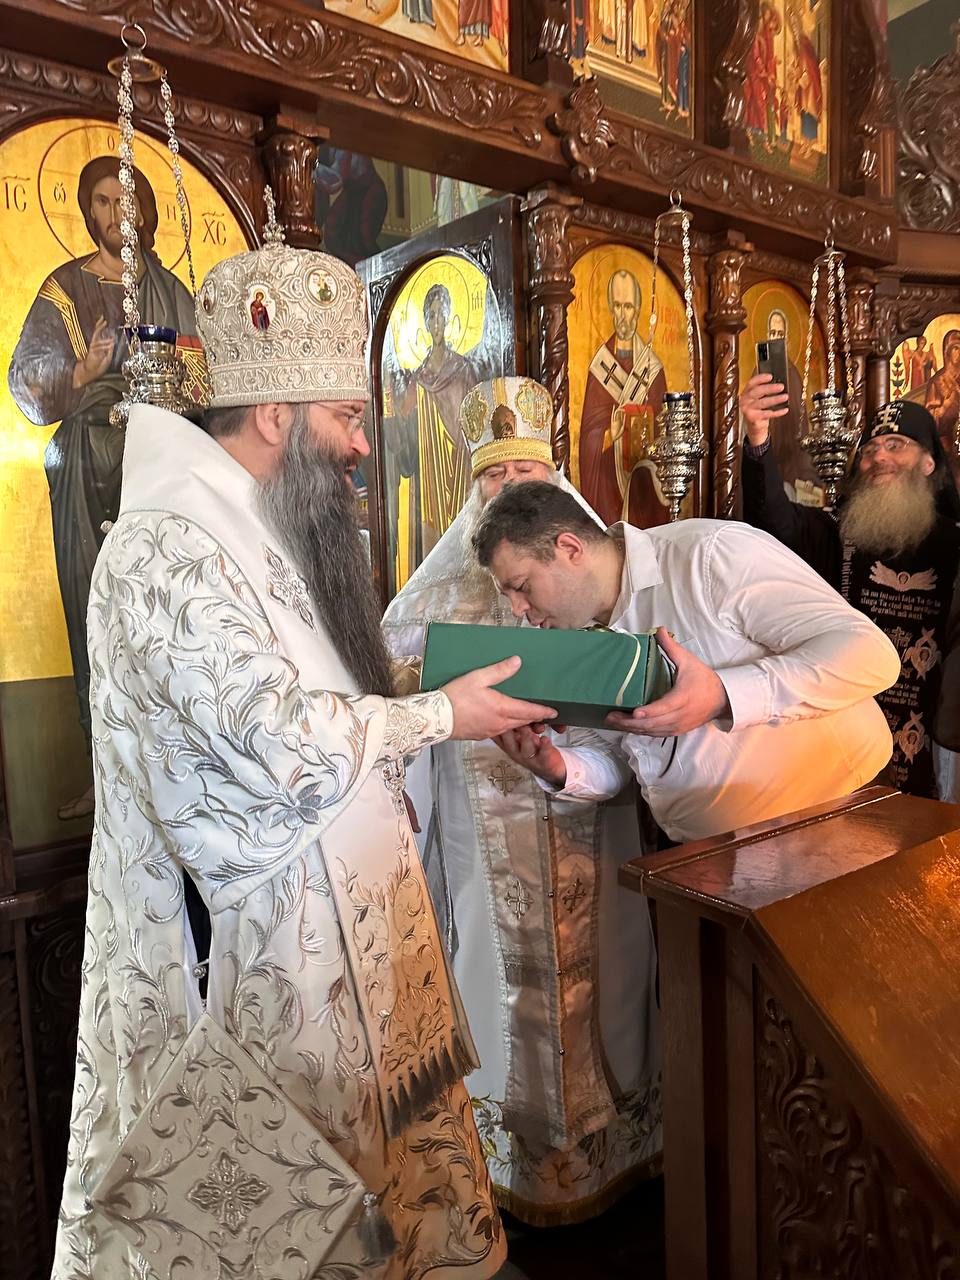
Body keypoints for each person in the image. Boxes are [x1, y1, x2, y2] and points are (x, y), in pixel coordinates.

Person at [50, 212, 566, 1280]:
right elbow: (280, 743)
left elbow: (313, 695)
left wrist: (421, 686)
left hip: (350, 957)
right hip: (252, 977)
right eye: (347, 417)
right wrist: (441, 716)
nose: (364, 445)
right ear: (276, 412)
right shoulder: (163, 548)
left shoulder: (261, 528)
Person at [383, 377, 661, 1227]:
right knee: (493, 980)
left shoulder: (601, 582)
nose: (508, 490)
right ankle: (508, 1165)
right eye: (493, 477)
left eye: (525, 473)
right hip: (483, 841)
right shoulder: (435, 598)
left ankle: (616, 1152)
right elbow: (396, 688)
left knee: (609, 975)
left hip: (592, 820)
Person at [470, 481, 900, 845]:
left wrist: (723, 695)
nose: (518, 609)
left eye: (522, 586)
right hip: (703, 854)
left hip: (834, 818)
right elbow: (621, 754)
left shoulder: (709, 556)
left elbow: (870, 654)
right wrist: (558, 767)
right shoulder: (572, 632)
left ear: (569, 548)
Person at [8, 156, 198, 818]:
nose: (118, 213)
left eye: (128, 200)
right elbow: (26, 383)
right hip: (87, 471)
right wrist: (84, 373)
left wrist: (173, 388)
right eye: (103, 201)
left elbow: (205, 374)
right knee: (98, 616)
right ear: (88, 212)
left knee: (168, 615)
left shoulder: (170, 290)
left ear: (147, 210)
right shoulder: (64, 289)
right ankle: (105, 771)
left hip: (161, 465)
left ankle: (172, 766)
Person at [739, 379, 960, 799]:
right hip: (843, 739)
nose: (879, 457)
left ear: (929, 462)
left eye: (895, 445)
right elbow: (773, 524)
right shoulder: (841, 532)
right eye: (870, 449)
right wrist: (758, 436)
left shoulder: (956, 546)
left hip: (934, 745)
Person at [578, 268, 669, 528]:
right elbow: (587, 437)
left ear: (638, 310)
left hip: (644, 486)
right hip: (608, 486)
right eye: (617, 306)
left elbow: (665, 432)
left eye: (628, 307)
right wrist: (610, 434)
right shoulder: (600, 367)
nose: (622, 315)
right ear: (610, 308)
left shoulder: (653, 369)